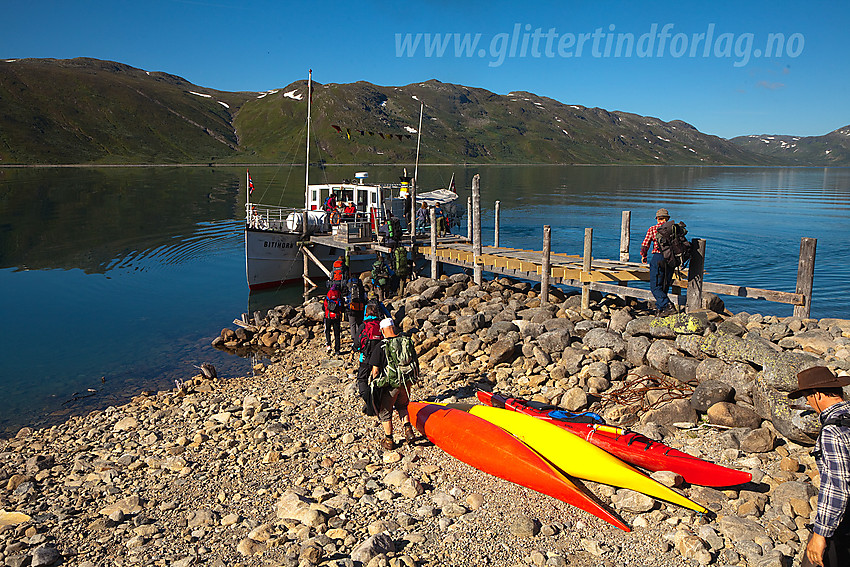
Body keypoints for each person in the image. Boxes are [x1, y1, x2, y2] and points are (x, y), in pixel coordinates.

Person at [787, 366, 850, 567]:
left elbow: (838, 486)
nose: (806, 401)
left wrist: (820, 534)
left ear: (818, 394)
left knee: (815, 560)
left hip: (843, 524)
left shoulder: (833, 431)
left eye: (807, 395)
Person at [369, 318, 419, 450]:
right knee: (402, 406)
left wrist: (374, 384)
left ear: (383, 330)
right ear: (393, 328)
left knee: (385, 412)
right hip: (406, 382)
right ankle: (408, 431)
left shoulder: (381, 346)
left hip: (391, 384)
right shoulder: (405, 341)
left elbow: (375, 370)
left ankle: (389, 440)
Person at [640, 208, 676, 315]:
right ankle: (661, 310)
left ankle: (667, 305)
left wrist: (644, 255)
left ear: (657, 219)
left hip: (658, 257)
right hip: (671, 259)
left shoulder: (653, 229)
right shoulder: (673, 229)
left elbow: (645, 244)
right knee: (665, 285)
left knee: (655, 286)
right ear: (668, 218)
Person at [354, 305, 382, 415]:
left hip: (365, 357)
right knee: (378, 380)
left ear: (366, 313)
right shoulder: (381, 324)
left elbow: (357, 343)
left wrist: (354, 349)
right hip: (380, 358)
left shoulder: (364, 325)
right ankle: (378, 402)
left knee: (362, 379)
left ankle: (370, 403)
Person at [322, 284, 345, 355]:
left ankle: (328, 345)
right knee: (337, 333)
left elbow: (323, 307)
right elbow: (342, 307)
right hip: (336, 316)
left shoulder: (328, 296)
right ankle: (337, 350)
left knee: (327, 330)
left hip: (328, 316)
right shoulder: (339, 295)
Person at [346, 274, 366, 342]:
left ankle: (354, 338)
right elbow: (364, 296)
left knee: (352, 324)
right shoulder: (360, 285)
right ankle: (360, 337)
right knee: (359, 323)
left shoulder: (349, 284)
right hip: (360, 307)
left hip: (351, 308)